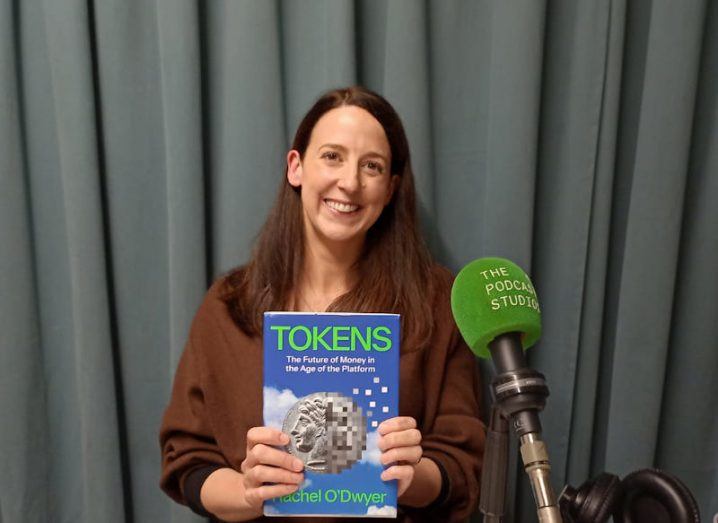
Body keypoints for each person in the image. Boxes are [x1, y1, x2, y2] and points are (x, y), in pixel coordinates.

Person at [159, 86, 485, 522]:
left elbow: (463, 464)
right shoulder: (229, 304)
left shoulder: (438, 303)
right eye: (332, 156)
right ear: (296, 168)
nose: (349, 182)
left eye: (372, 166)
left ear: (389, 189)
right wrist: (247, 491)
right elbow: (188, 463)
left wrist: (414, 473)